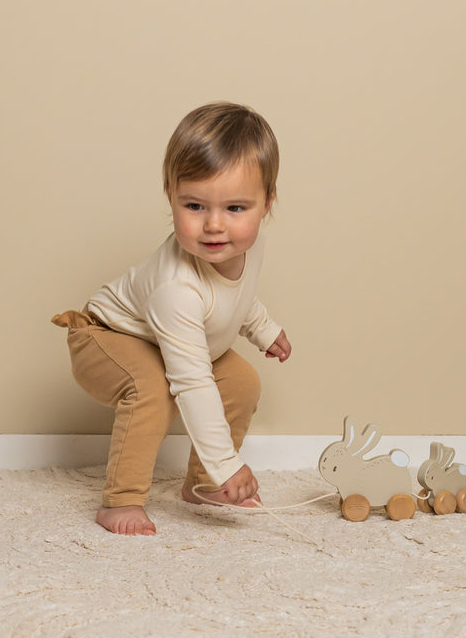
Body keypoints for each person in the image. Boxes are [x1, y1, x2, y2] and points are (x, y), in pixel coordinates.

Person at [51, 102, 291, 536]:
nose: (215, 225)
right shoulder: (174, 290)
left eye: (236, 208)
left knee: (242, 382)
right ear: (171, 195)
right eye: (195, 205)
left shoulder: (251, 246)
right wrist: (228, 464)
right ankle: (120, 501)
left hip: (166, 342)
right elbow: (192, 381)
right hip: (104, 338)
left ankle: (203, 484)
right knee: (154, 387)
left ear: (266, 203)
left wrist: (262, 328)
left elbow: (236, 295)